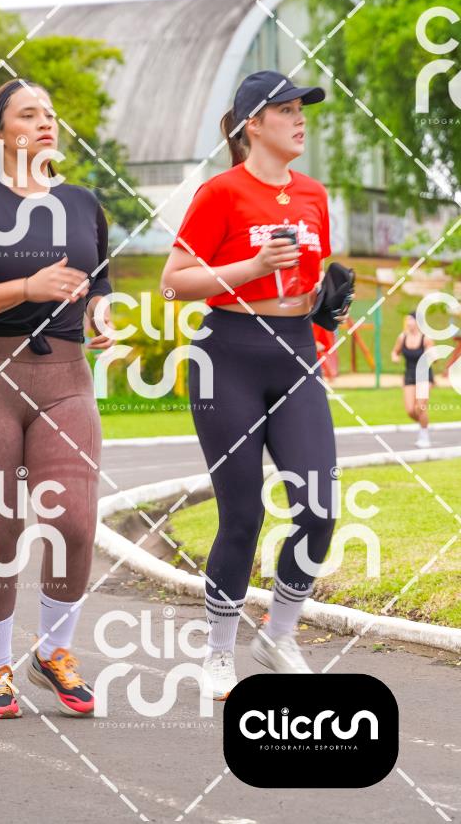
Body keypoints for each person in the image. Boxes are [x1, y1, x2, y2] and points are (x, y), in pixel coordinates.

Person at [160, 69, 352, 699]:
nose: (300, 119)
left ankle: (279, 635)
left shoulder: (314, 194)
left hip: (294, 353)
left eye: (302, 109)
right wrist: (251, 266)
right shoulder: (220, 192)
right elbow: (174, 282)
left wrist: (326, 307)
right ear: (254, 124)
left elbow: (304, 282)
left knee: (318, 510)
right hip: (228, 355)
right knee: (241, 513)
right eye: (287, 110)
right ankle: (219, 652)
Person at [0, 79, 115, 718]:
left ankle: (54, 653)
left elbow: (98, 279)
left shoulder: (83, 203)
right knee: (1, 531)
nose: (45, 122)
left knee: (75, 523)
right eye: (29, 114)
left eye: (50, 114)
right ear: (0, 133)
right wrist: (28, 287)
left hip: (66, 379)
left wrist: (100, 311)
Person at [391, 311, 435, 448]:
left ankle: (424, 435)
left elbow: (433, 356)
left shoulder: (426, 339)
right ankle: (424, 424)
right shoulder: (402, 337)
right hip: (409, 375)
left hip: (424, 375)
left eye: (411, 320)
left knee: (419, 407)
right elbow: (395, 351)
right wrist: (395, 357)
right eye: (407, 320)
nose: (408, 323)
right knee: (410, 410)